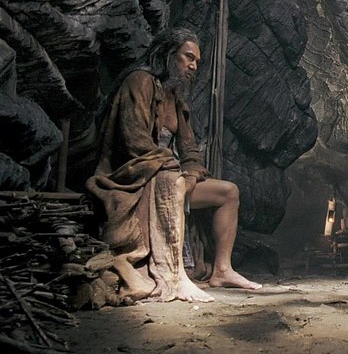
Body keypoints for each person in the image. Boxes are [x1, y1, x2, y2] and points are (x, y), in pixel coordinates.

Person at [87, 27, 261, 304]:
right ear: (168, 54)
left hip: (170, 174)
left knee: (229, 192)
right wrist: (174, 170)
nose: (193, 66)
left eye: (197, 61)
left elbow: (189, 149)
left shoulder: (175, 97)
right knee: (173, 183)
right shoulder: (139, 81)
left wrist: (191, 173)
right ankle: (174, 275)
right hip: (133, 175)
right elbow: (134, 141)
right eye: (188, 57)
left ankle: (222, 270)